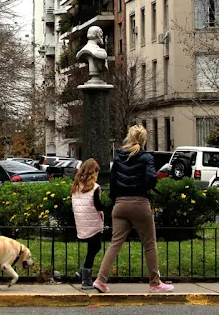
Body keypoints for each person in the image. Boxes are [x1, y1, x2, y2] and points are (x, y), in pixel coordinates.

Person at [93, 125, 174, 293]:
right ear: (143, 140)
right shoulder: (146, 158)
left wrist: (117, 198)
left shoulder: (118, 157)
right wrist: (140, 186)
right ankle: (155, 282)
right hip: (139, 203)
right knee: (150, 244)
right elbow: (151, 179)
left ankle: (100, 280)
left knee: (115, 244)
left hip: (120, 205)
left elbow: (113, 182)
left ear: (128, 138)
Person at [71, 158, 104, 289]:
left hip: (81, 222)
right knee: (94, 248)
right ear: (93, 173)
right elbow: (98, 205)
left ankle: (82, 271)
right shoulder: (94, 188)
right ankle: (86, 279)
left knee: (94, 247)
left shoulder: (76, 186)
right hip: (92, 222)